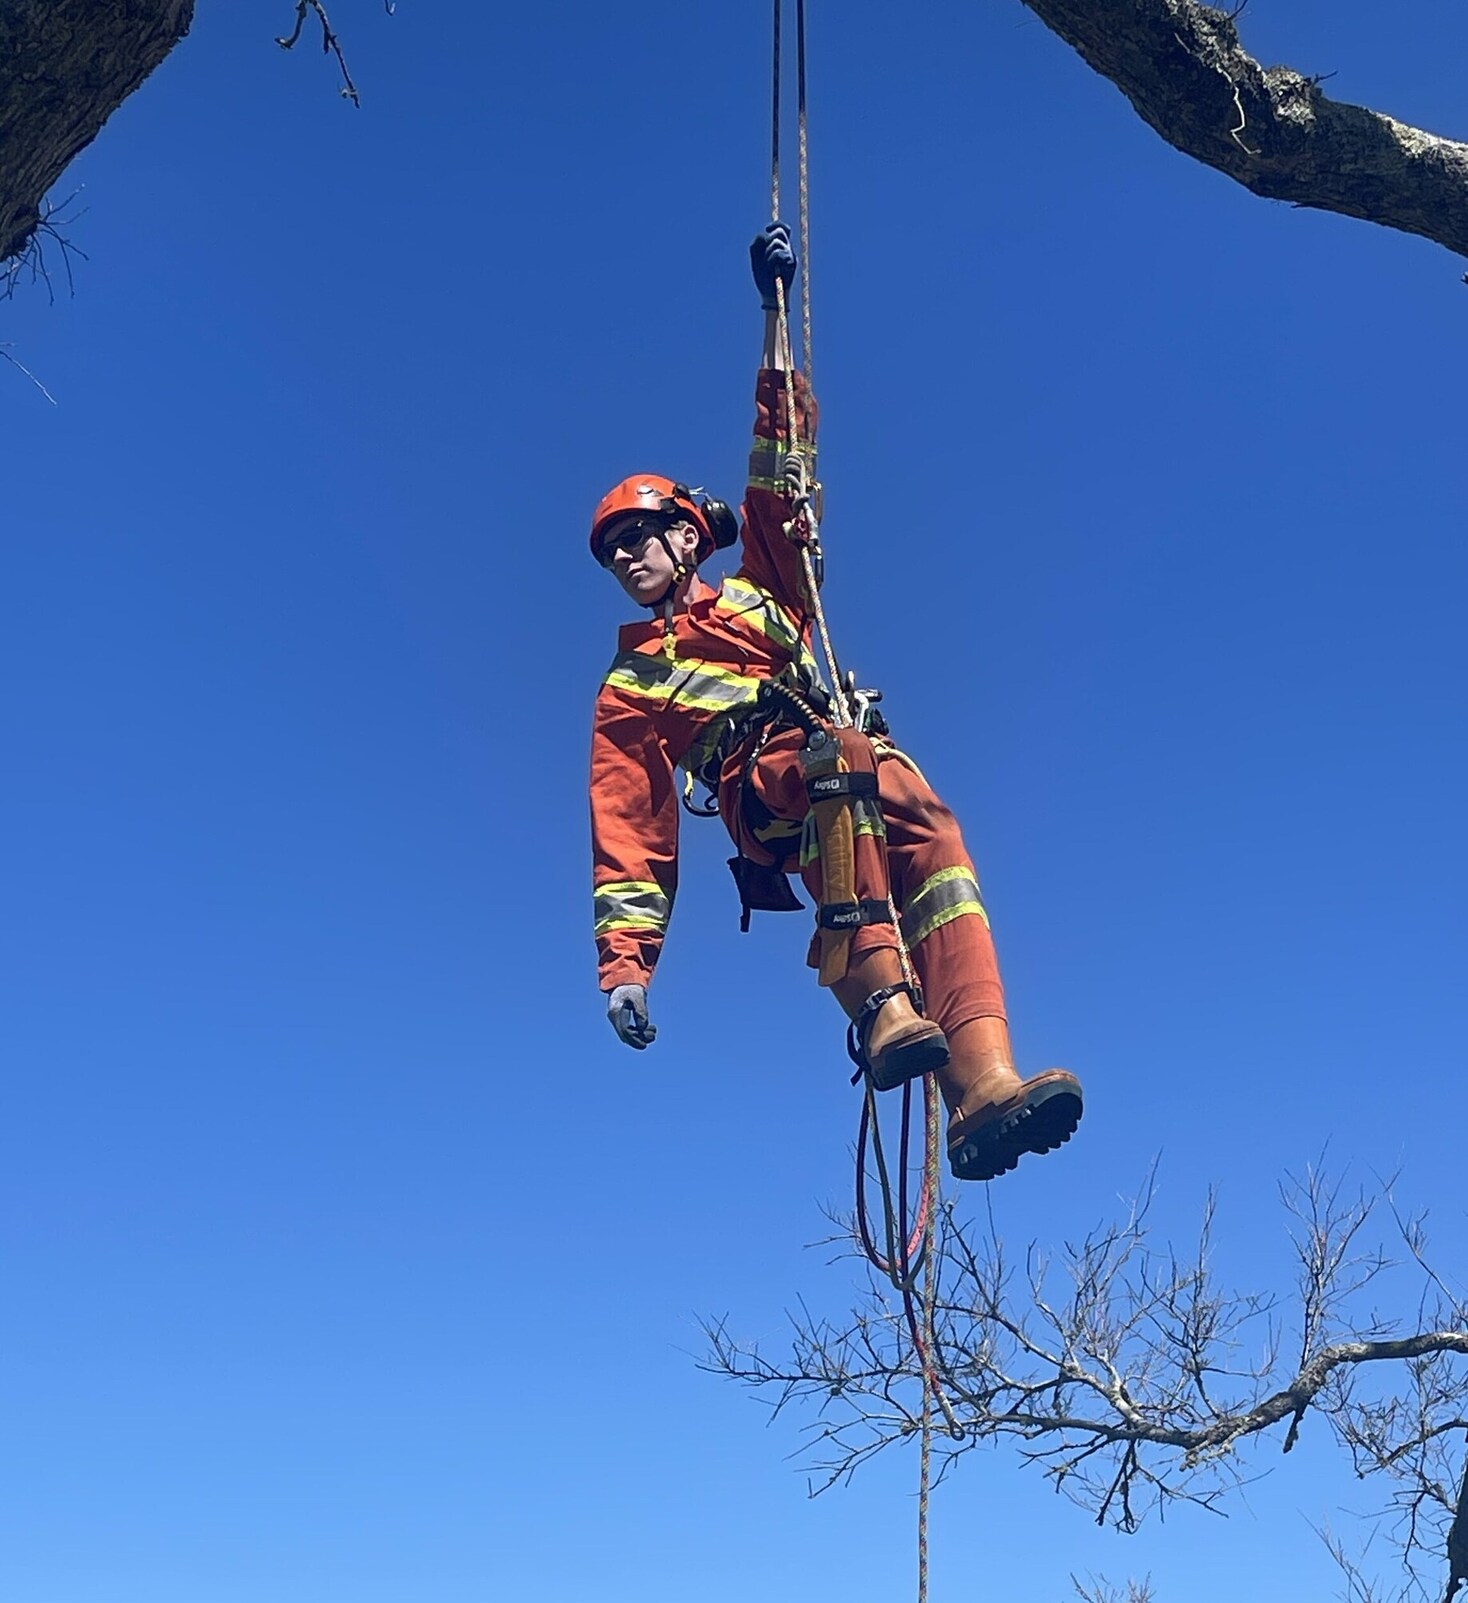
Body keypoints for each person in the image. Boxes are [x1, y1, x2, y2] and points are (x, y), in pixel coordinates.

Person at [588, 223, 1083, 1182]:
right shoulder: (628, 685)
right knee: (838, 762)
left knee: (934, 838)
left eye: (639, 535)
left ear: (686, 537)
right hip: (767, 784)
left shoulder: (765, 588)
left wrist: (774, 311)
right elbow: (629, 833)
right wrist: (627, 969)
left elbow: (781, 460)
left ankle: (982, 1085)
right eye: (612, 551)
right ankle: (881, 1006)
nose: (625, 557)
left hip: (837, 753)